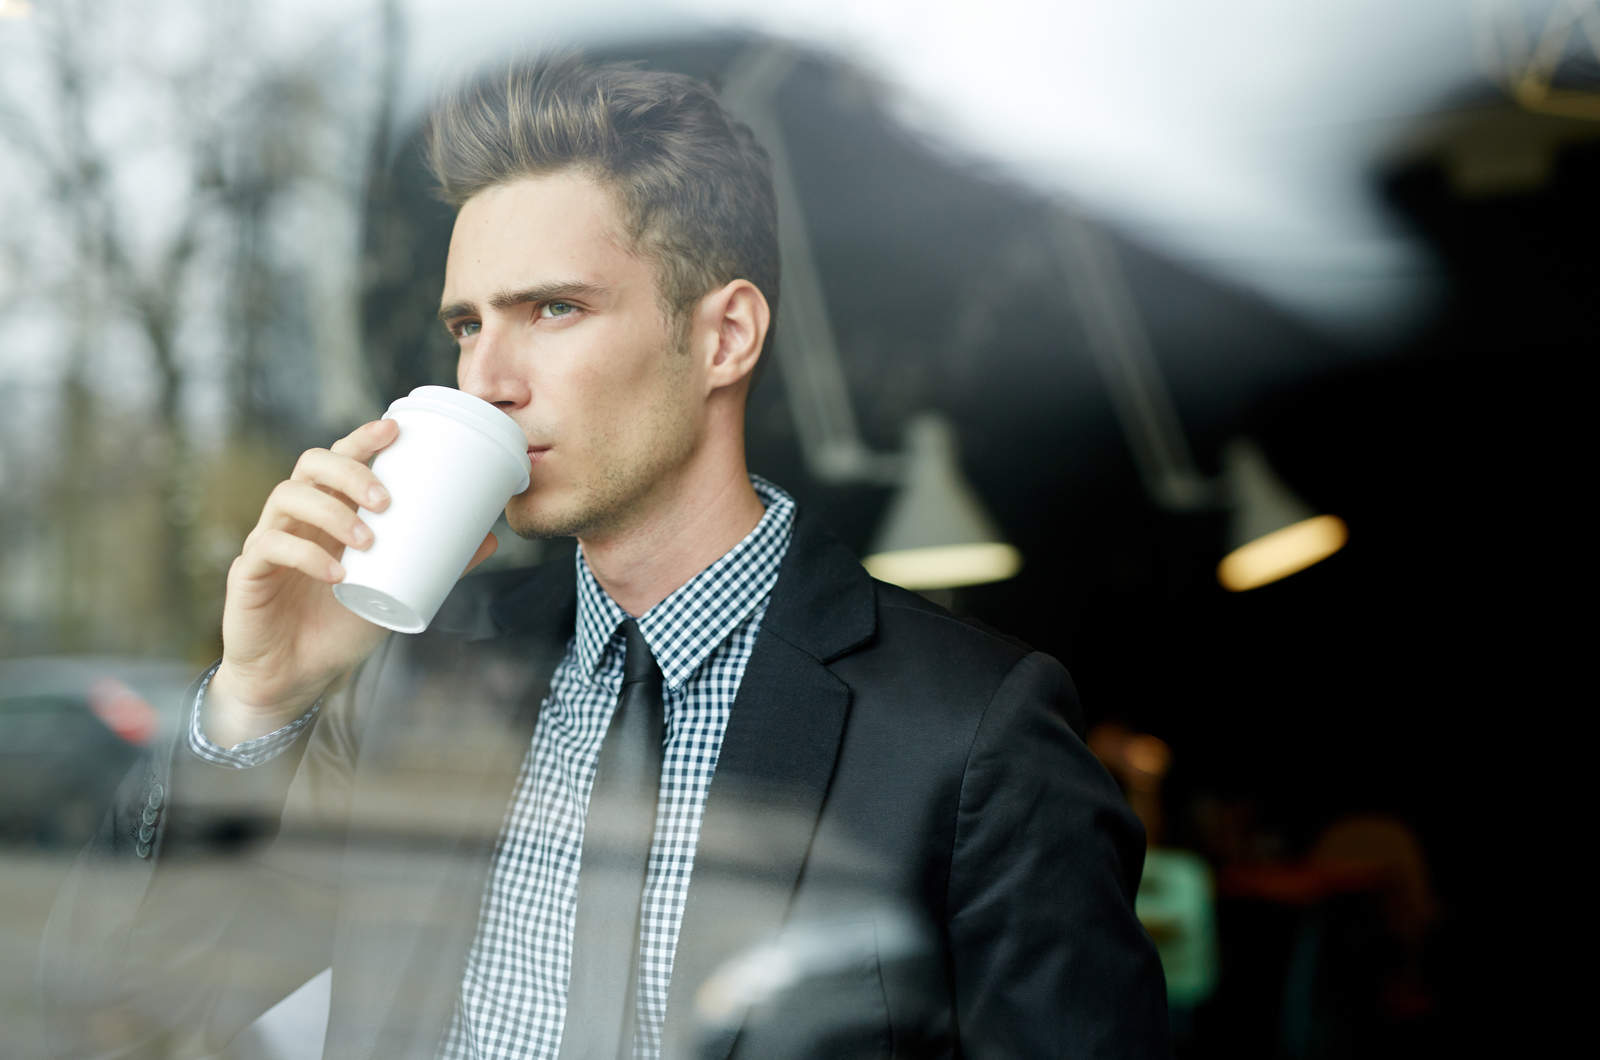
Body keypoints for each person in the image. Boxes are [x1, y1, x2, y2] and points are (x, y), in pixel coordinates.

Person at [40, 56, 1168, 1059]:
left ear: (723, 335)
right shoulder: (413, 686)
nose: (488, 379)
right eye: (469, 324)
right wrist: (253, 701)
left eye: (554, 308)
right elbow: (133, 997)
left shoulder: (972, 734)